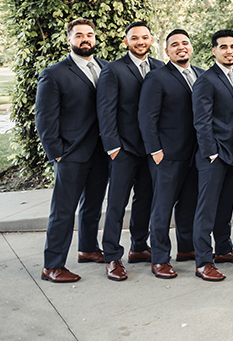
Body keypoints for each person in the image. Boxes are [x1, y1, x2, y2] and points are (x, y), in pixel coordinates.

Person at [35, 18, 110, 283]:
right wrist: (57, 152)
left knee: (92, 205)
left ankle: (88, 249)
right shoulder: (54, 74)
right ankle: (52, 265)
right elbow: (45, 119)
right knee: (63, 211)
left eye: (89, 34)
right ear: (69, 39)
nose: (85, 39)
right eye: (79, 35)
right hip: (71, 154)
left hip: (102, 152)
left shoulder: (106, 68)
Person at [96, 21, 163, 281]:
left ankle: (138, 246)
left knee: (145, 199)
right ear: (127, 42)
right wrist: (113, 148)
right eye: (135, 38)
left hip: (150, 150)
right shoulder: (113, 70)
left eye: (145, 37)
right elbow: (106, 110)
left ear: (151, 40)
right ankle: (112, 256)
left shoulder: (159, 67)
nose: (140, 42)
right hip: (123, 149)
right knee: (116, 203)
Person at [138, 29, 203, 278]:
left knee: (189, 205)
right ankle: (159, 258)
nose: (181, 47)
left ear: (191, 47)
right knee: (162, 208)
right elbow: (147, 117)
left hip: (195, 155)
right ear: (167, 51)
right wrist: (155, 150)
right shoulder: (157, 78)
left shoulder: (201, 75)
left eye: (185, 43)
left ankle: (186, 249)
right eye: (174, 44)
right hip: (166, 155)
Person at [191, 29, 233, 282]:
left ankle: (223, 249)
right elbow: (201, 121)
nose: (229, 51)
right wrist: (211, 153)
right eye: (223, 47)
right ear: (214, 50)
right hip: (214, 156)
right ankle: (203, 261)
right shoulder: (206, 80)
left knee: (225, 206)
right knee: (206, 210)